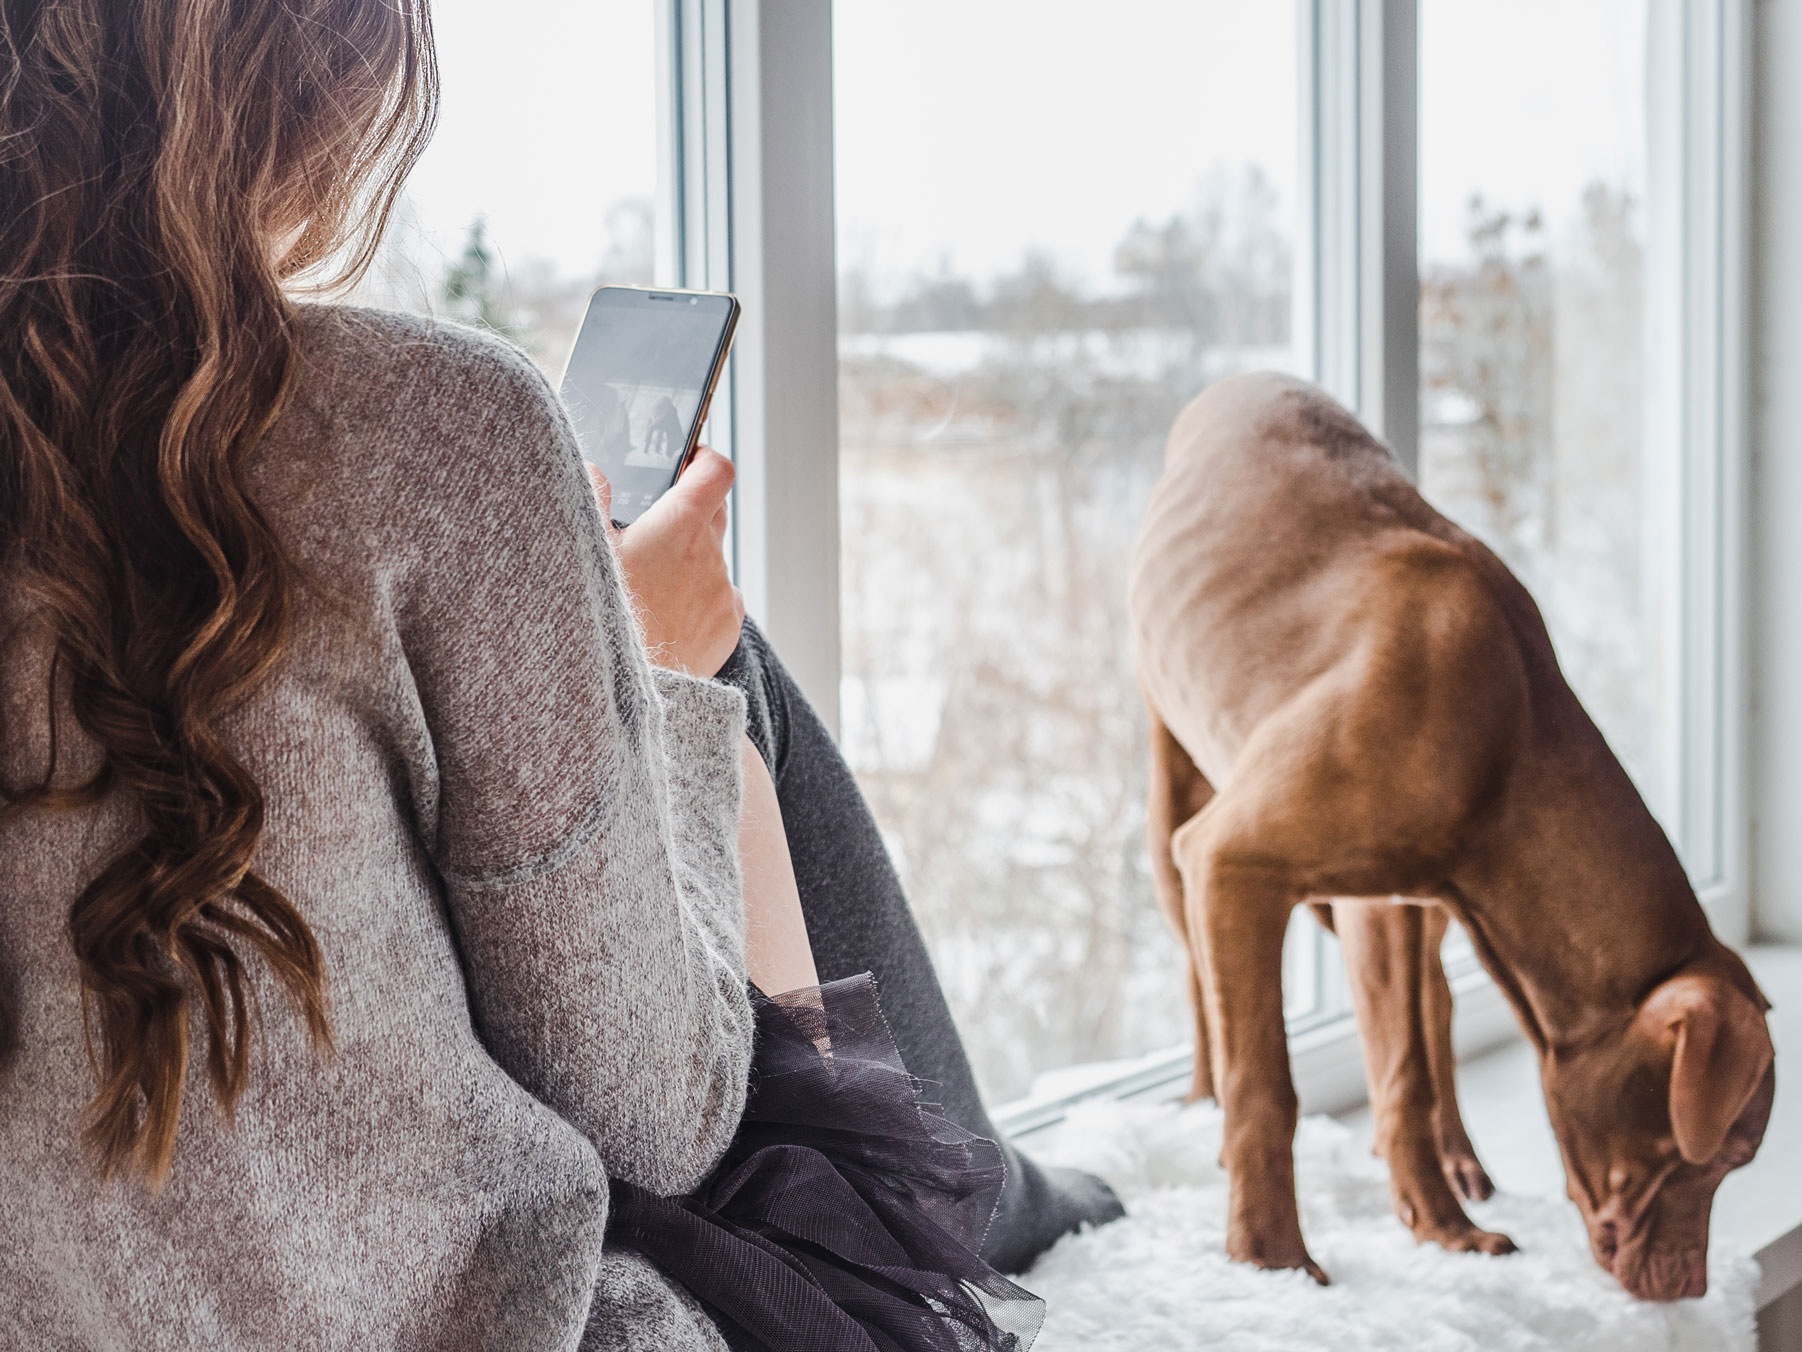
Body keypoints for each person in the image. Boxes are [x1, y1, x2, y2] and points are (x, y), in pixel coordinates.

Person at [0, 3, 1121, 1350]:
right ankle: (964, 1196)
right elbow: (657, 1114)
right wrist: (651, 678)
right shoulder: (431, 420)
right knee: (715, 662)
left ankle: (980, 1186)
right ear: (307, 76)